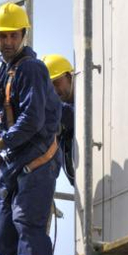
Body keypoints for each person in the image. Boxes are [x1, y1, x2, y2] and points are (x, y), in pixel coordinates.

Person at [0, 3, 62, 255]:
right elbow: (3, 116)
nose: (8, 42)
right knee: (5, 235)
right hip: (13, 165)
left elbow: (33, 119)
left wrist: (0, 143)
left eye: (13, 36)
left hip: (36, 162)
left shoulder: (33, 70)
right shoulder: (4, 74)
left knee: (26, 224)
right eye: (3, 37)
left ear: (23, 35)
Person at [41, 54, 75, 187]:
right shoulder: (55, 114)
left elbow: (75, 115)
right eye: (49, 88)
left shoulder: (89, 97)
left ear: (69, 76)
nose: (54, 91)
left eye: (56, 83)